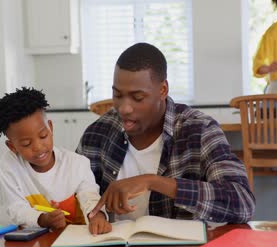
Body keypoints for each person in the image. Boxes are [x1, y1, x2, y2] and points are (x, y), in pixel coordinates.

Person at [77, 43, 255, 223]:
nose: (124, 108)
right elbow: (73, 195)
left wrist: (152, 182)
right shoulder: (97, 134)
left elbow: (242, 202)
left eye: (138, 98)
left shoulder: (199, 130)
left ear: (162, 90)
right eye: (117, 95)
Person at [0, 87, 111, 235]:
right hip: (37, 242)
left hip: (80, 239)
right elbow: (16, 208)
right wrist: (42, 219)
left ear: (50, 128)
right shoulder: (10, 165)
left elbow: (90, 197)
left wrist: (97, 217)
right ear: (12, 146)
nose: (38, 147)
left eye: (43, 136)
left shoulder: (77, 164)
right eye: (26, 144)